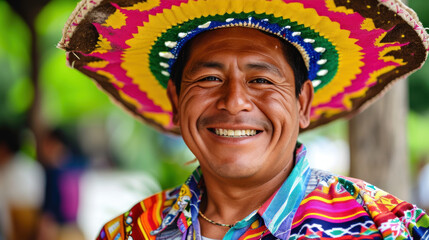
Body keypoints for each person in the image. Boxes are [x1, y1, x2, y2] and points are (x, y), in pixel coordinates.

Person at [59, 0, 429, 239]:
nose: (234, 102)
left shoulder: (389, 229)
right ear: (175, 100)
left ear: (303, 102)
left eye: (262, 80)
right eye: (208, 79)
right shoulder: (129, 232)